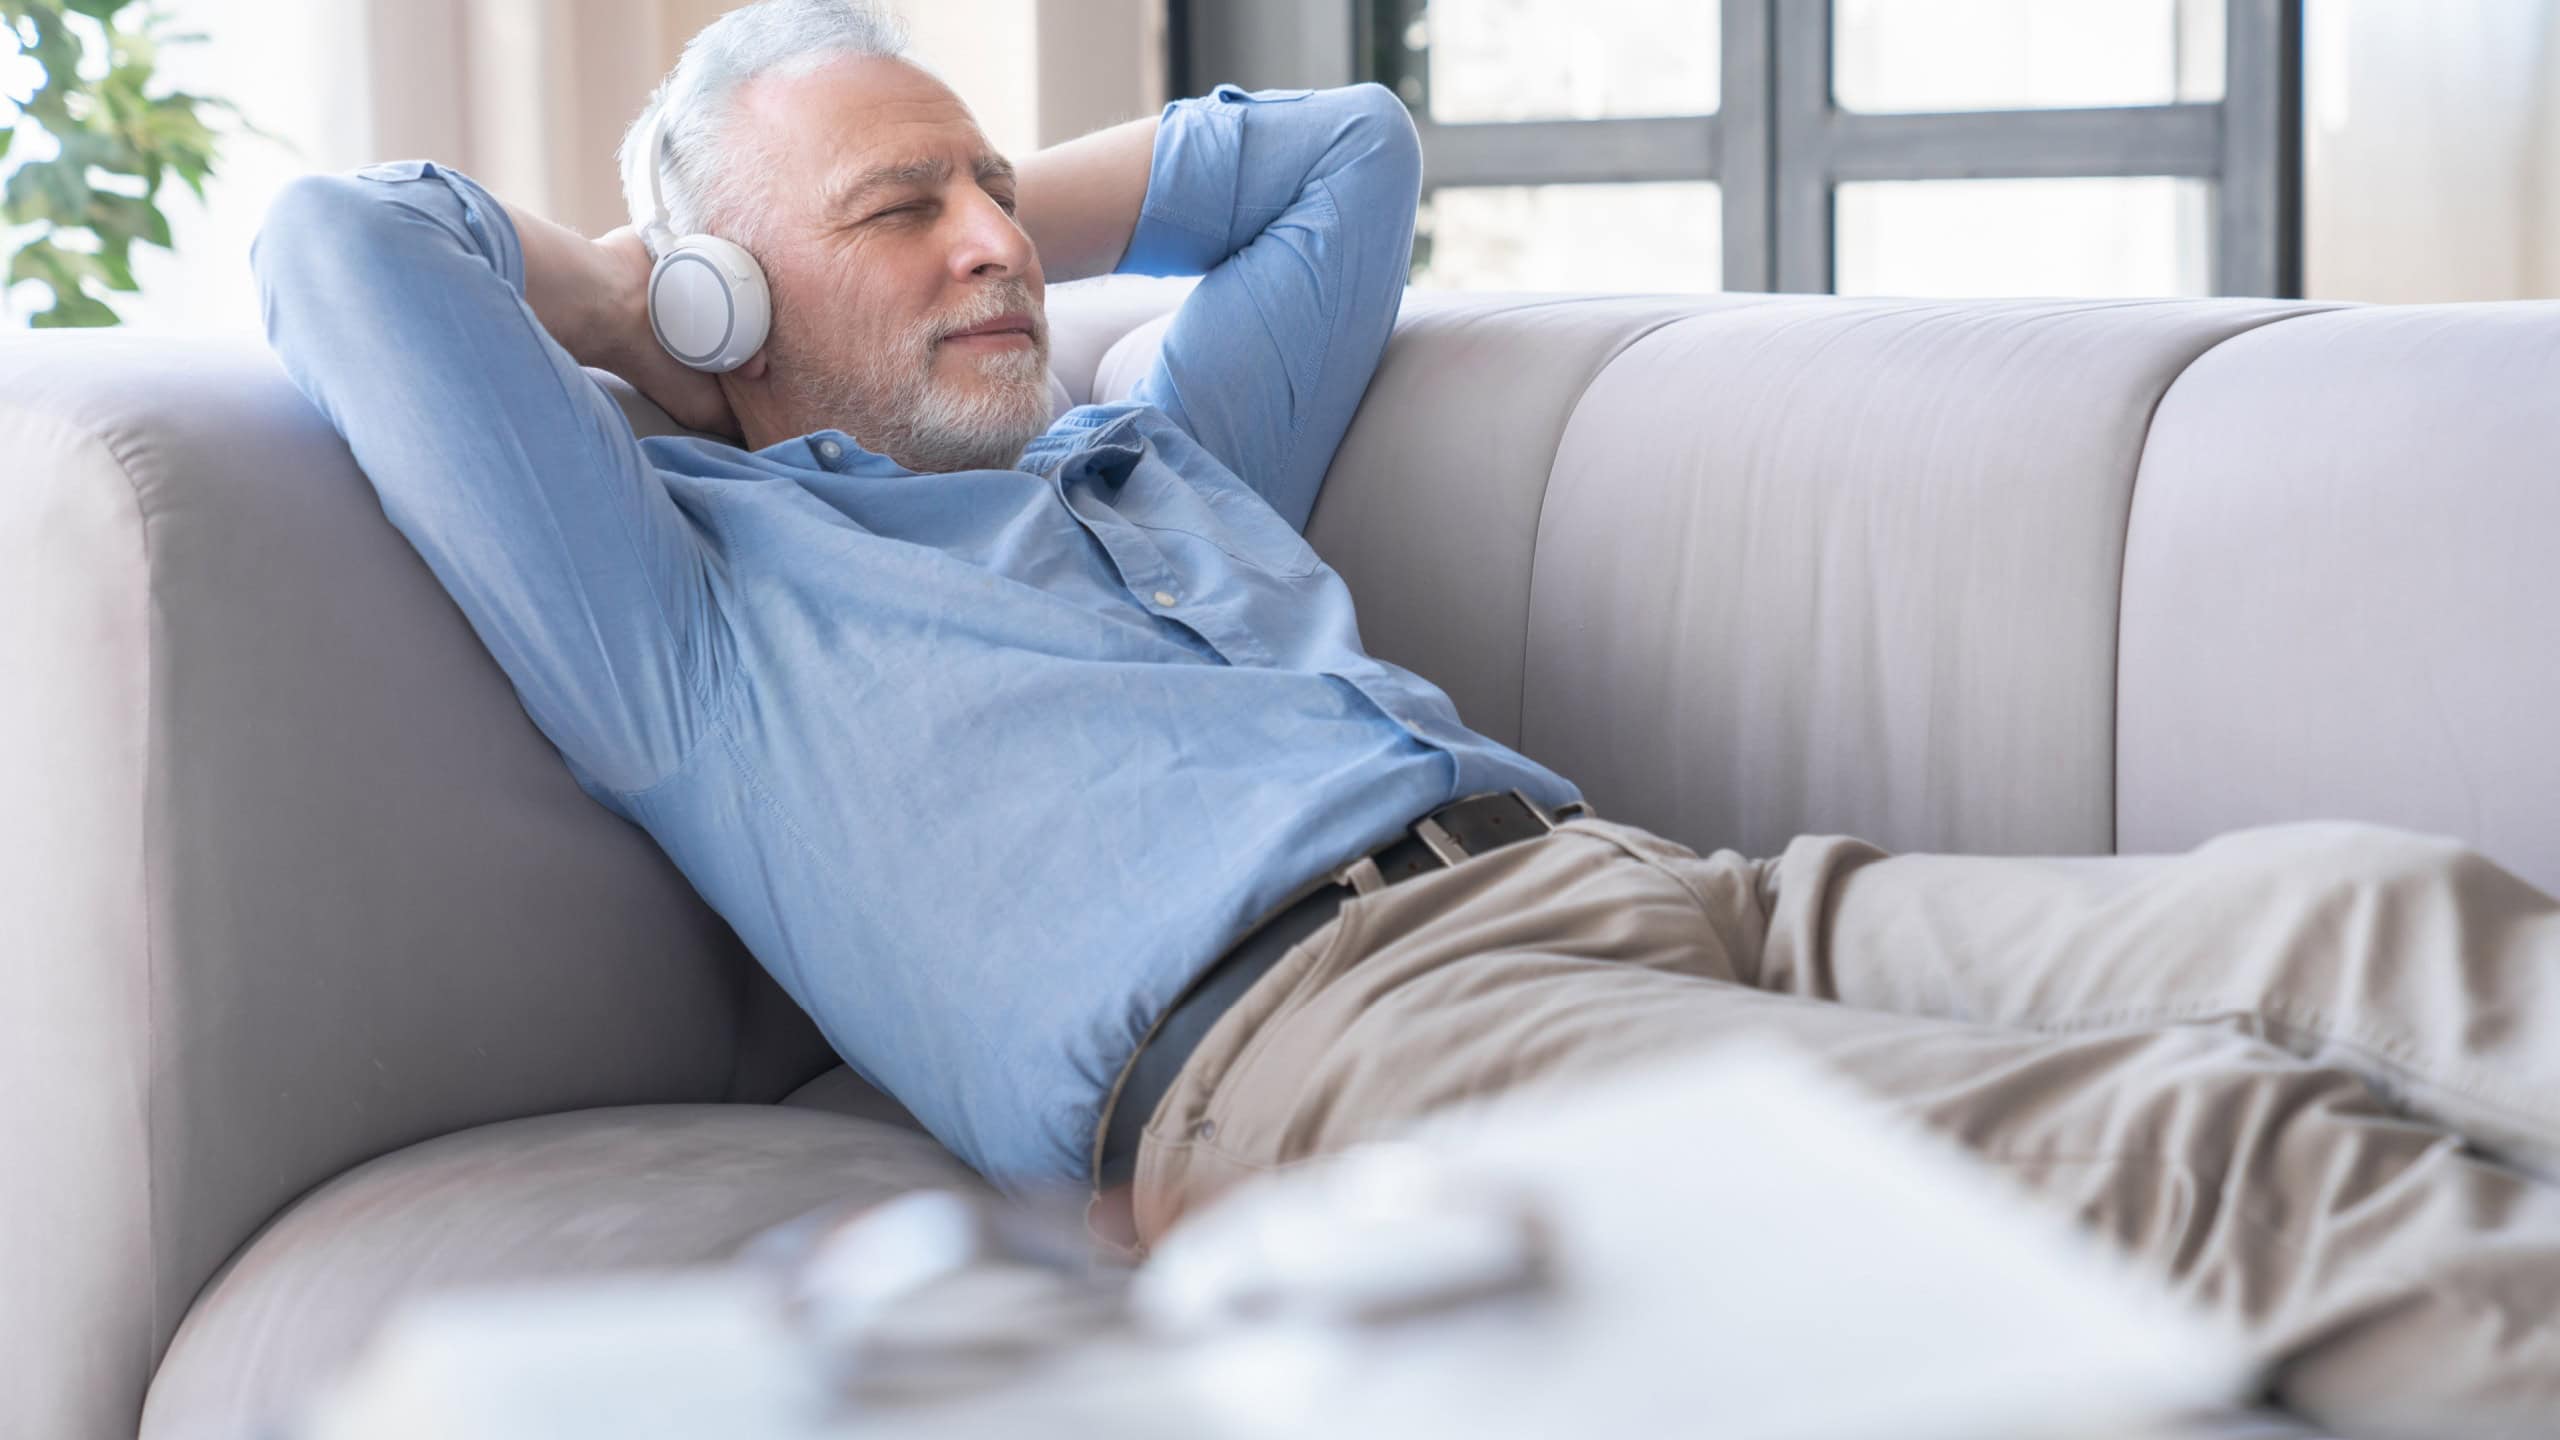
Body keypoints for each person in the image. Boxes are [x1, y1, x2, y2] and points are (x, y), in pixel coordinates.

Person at [251, 2, 2558, 1433]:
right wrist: (652, 291)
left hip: (1656, 886)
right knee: (2197, 1143)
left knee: (2364, 916)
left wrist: (949, 198)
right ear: (714, 294)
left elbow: (1349, 150)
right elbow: (345, 251)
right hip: (1335, 1047)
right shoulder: (692, 610)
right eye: (900, 211)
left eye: (994, 193)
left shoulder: (1139, 460)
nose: (996, 248)